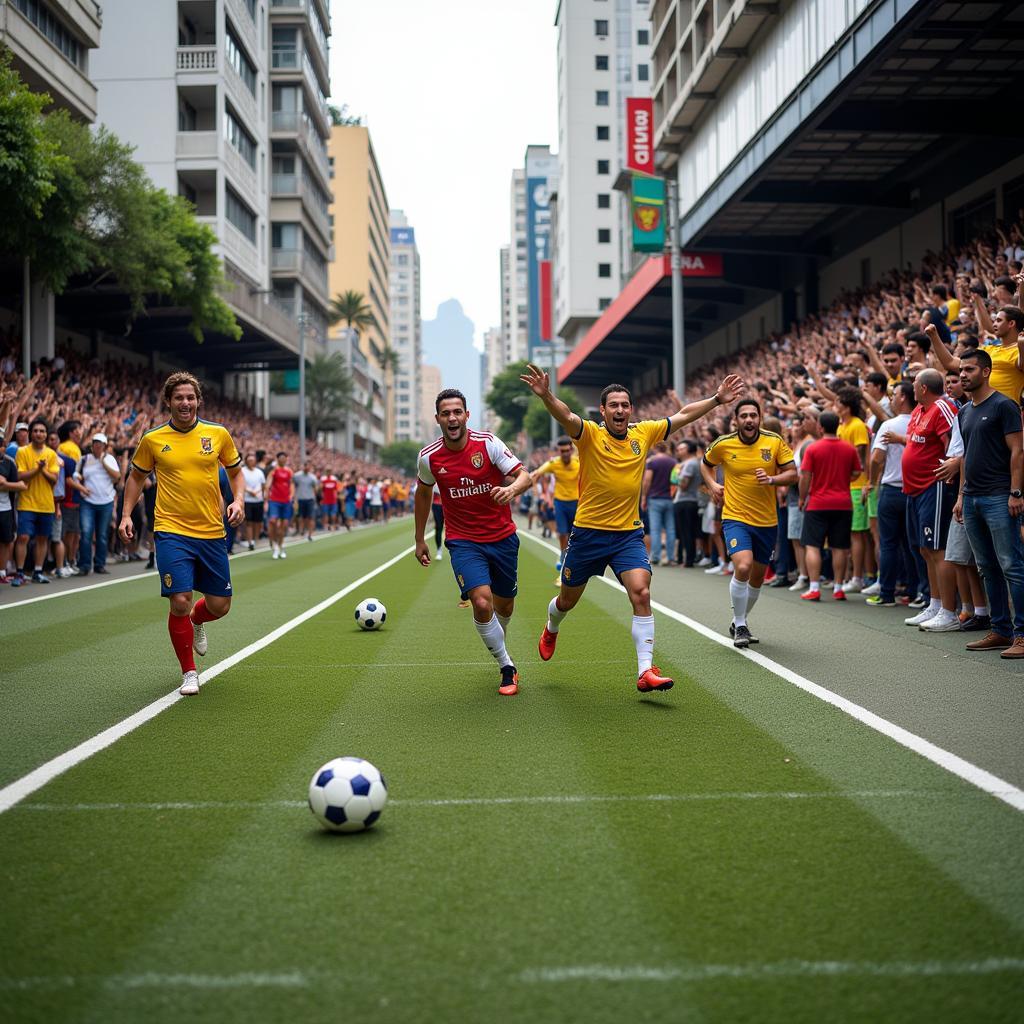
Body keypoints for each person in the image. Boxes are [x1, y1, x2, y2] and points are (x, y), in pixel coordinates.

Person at [523, 365, 743, 693]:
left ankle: (645, 671)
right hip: (587, 535)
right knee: (567, 602)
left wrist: (715, 399)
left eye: (625, 405)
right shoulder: (589, 434)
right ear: (603, 411)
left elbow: (682, 415)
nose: (620, 410)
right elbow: (567, 416)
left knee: (641, 592)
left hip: (627, 535)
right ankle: (552, 626)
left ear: (631, 409)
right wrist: (546, 396)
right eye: (614, 405)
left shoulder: (643, 433)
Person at [118, 371, 244, 696]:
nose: (185, 403)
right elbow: (135, 478)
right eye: (179, 398)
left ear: (198, 400)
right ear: (168, 401)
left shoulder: (218, 434)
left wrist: (238, 500)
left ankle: (197, 620)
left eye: (190, 397)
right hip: (171, 531)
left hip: (212, 532)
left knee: (220, 605)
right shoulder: (153, 439)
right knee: (180, 600)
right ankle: (189, 672)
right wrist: (126, 515)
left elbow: (235, 471)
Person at [413, 388, 533, 697]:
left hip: (503, 537)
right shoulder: (429, 457)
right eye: (445, 413)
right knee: (481, 601)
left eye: (457, 412)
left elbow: (525, 477)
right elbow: (424, 493)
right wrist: (419, 538)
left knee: (504, 604)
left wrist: (511, 490)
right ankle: (507, 666)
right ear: (437, 419)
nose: (452, 418)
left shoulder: (489, 444)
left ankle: (499, 641)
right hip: (463, 541)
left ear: (467, 415)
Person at [702, 399, 796, 647]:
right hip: (735, 517)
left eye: (753, 415)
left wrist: (773, 479)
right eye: (744, 416)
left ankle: (739, 620)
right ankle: (740, 624)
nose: (749, 420)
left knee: (757, 578)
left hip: (767, 521)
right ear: (736, 420)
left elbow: (793, 474)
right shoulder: (723, 444)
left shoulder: (774, 441)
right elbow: (706, 463)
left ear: (760, 418)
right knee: (742, 567)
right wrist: (712, 485)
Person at [954, 349, 1024, 658]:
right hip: (972, 498)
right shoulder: (964, 411)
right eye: (960, 370)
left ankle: (1021, 635)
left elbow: (1018, 451)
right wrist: (960, 496)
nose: (962, 375)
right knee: (987, 567)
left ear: (986, 371)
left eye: (969, 369)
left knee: (1012, 566)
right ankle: (999, 631)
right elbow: (967, 456)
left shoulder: (1004, 406)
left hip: (1000, 496)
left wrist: (1016, 492)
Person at [893, 369, 961, 631]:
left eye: (914, 382)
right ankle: (934, 604)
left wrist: (952, 473)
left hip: (935, 487)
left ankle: (948, 611)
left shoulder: (941, 406)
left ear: (923, 388)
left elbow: (953, 445)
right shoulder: (919, 410)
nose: (911, 386)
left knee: (937, 549)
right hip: (915, 490)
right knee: (924, 548)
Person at [798, 412, 862, 602]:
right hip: (843, 503)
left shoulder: (812, 448)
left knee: (812, 545)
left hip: (818, 502)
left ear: (821, 428)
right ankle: (838, 587)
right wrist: (844, 480)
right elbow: (857, 472)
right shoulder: (849, 449)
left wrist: (803, 497)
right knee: (839, 546)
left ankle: (814, 587)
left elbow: (805, 476)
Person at [867, 382, 919, 609]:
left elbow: (876, 458)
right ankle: (916, 592)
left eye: (894, 395)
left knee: (888, 544)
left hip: (890, 489)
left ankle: (887, 593)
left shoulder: (889, 425)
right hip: (914, 490)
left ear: (903, 398)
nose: (891, 399)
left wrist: (872, 481)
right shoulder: (919, 422)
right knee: (913, 545)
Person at [14, 418, 60, 585]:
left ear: (46, 435)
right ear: (30, 433)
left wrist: (43, 470)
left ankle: (38, 571)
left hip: (46, 504)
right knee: (23, 537)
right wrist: (37, 469)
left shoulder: (51, 454)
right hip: (26, 502)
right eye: (35, 431)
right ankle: (19, 573)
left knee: (42, 539)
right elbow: (19, 475)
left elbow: (54, 479)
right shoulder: (22, 452)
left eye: (42, 431)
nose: (39, 434)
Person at [529, 436, 580, 582]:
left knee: (575, 536)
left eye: (567, 450)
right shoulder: (553, 463)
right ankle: (564, 566)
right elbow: (537, 474)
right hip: (560, 503)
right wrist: (538, 492)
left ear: (571, 450)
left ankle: (577, 562)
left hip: (576, 503)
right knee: (563, 535)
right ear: (559, 451)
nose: (564, 453)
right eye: (562, 451)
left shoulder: (579, 463)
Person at [77, 432, 121, 577]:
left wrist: (103, 462)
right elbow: (75, 476)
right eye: (95, 442)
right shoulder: (84, 459)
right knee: (86, 533)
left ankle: (99, 564)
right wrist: (81, 488)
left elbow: (117, 477)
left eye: (100, 443)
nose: (97, 445)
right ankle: (84, 565)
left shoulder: (110, 459)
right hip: (88, 502)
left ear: (104, 446)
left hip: (106, 501)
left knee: (102, 535)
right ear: (92, 445)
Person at [642, 441, 678, 567]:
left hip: (655, 498)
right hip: (669, 498)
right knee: (670, 529)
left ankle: (655, 556)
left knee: (655, 529)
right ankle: (671, 557)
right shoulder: (673, 461)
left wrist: (644, 497)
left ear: (654, 448)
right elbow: (676, 479)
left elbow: (647, 480)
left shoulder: (652, 462)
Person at [672, 440, 702, 567]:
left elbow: (684, 484)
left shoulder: (690, 464)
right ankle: (684, 558)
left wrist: (677, 477)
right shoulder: (687, 463)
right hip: (686, 500)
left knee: (687, 531)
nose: (679, 451)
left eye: (682, 448)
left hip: (687, 500)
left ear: (690, 449)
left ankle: (688, 560)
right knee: (685, 531)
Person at [0, 441, 27, 584]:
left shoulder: (9, 463)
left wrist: (5, 484)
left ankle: (2, 572)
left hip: (5, 508)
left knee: (6, 540)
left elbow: (21, 485)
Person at [266, 451, 294, 559]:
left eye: (284, 457)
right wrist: (266, 496)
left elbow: (291, 485)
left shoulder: (289, 471)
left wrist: (291, 496)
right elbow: (268, 484)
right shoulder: (274, 470)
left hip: (286, 501)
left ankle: (281, 545)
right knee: (273, 521)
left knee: (284, 524)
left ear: (286, 459)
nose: (283, 459)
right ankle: (274, 544)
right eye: (281, 457)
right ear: (277, 459)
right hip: (274, 500)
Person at [240, 452, 266, 551]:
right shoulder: (242, 471)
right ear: (246, 461)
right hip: (247, 500)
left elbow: (263, 485)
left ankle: (255, 539)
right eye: (249, 460)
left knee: (258, 522)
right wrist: (249, 491)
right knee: (249, 522)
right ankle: (250, 541)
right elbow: (240, 484)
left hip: (258, 500)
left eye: (253, 460)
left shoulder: (259, 472)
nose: (251, 461)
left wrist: (260, 494)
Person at [293, 461, 319, 541]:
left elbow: (316, 488)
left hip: (310, 499)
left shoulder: (312, 477)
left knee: (310, 517)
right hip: (300, 499)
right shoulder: (297, 476)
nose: (307, 468)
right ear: (303, 466)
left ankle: (310, 534)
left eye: (308, 466)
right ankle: (301, 531)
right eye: (306, 466)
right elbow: (293, 485)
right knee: (300, 517)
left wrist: (314, 497)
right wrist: (294, 497)